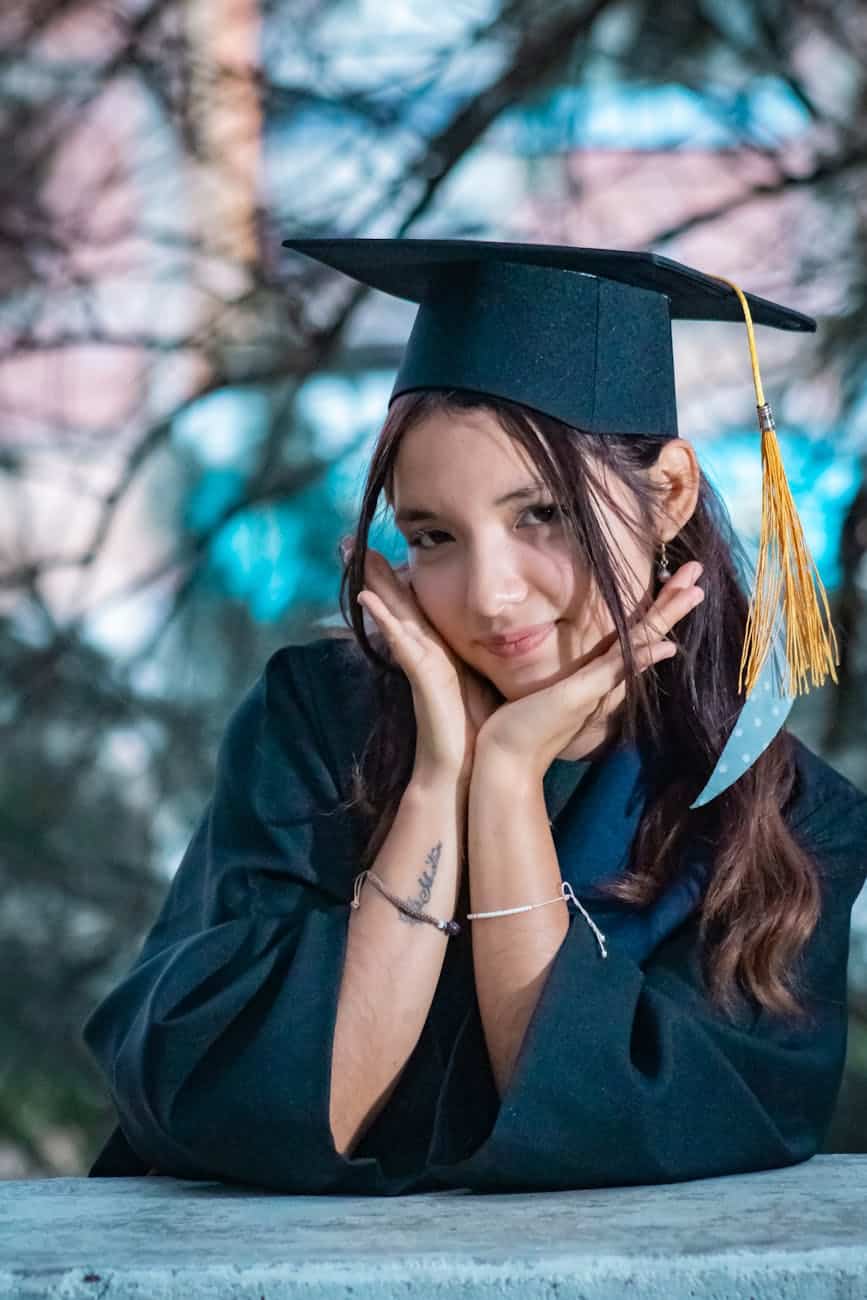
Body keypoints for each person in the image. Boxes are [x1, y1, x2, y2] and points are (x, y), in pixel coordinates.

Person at [82, 239, 867, 1195]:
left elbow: (609, 1128)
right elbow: (264, 1106)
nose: (490, 595)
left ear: (665, 494)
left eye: (541, 515)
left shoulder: (776, 818)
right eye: (433, 536)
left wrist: (503, 783)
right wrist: (437, 776)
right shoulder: (316, 728)